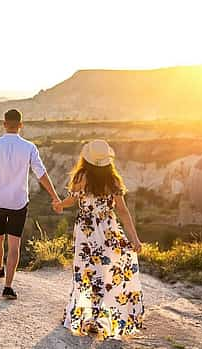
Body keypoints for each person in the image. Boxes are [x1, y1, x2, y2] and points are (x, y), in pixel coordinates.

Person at [53, 140, 144, 340]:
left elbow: (71, 200)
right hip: (108, 227)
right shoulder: (113, 180)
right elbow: (123, 211)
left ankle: (92, 318)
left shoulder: (81, 176)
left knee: (87, 272)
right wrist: (134, 239)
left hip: (87, 231)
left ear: (86, 158)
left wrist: (59, 205)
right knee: (108, 271)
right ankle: (100, 317)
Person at [0, 109, 61, 300]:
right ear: (21, 125)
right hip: (18, 201)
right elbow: (41, 174)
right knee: (14, 244)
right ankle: (8, 286)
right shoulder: (29, 147)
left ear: (4, 123)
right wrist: (55, 196)